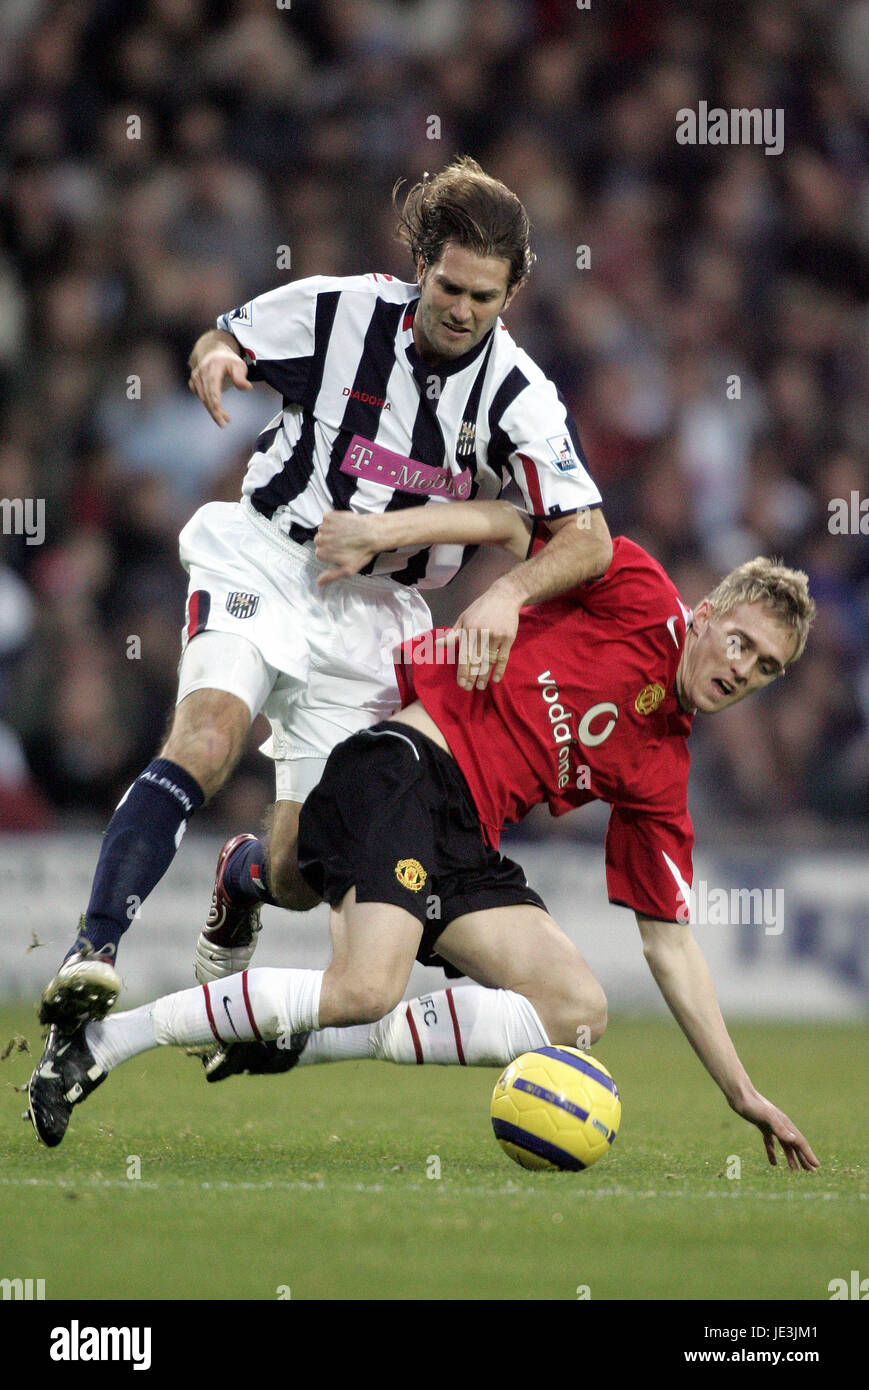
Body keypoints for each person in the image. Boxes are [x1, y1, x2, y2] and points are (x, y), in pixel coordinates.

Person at [26, 510, 819, 1171]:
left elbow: (670, 946)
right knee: (367, 984)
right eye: (739, 642)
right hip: (403, 767)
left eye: (764, 668)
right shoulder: (638, 590)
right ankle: (100, 1043)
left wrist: (740, 1091)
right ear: (706, 615)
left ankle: (282, 1029)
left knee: (576, 1011)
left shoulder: (661, 772)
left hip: (465, 834)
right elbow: (512, 521)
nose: (740, 669)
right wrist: (404, 540)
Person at [35, 158, 612, 1041]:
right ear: (421, 265)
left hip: (377, 622)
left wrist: (509, 596)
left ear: (514, 292)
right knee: (209, 732)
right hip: (266, 557)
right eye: (449, 286)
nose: (461, 309)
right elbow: (222, 338)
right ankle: (93, 951)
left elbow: (589, 538)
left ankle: (241, 883)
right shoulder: (341, 309)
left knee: (305, 866)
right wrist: (220, 357)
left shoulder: (518, 395)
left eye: (484, 297)